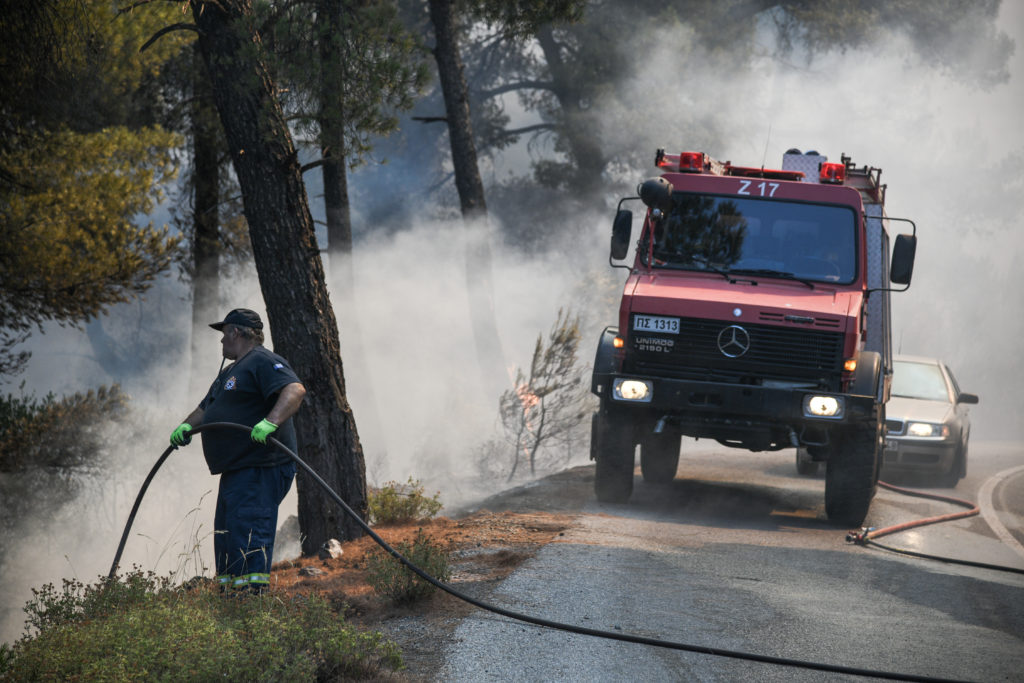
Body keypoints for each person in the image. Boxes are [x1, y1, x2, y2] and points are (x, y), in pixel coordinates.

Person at [169, 308, 306, 593]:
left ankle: (251, 605)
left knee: (250, 534)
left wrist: (270, 422)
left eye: (223, 335)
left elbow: (294, 390)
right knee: (228, 538)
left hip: (260, 466)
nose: (221, 343)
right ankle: (232, 603)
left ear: (236, 332)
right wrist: (184, 428)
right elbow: (205, 408)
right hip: (236, 470)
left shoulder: (263, 361)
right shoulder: (229, 372)